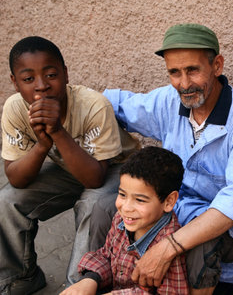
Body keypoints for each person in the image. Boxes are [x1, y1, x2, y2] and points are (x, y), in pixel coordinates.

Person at [93, 23, 233, 294]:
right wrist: (70, 104)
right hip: (173, 211)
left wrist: (168, 247)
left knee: (198, 239)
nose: (184, 83)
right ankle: (90, 280)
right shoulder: (169, 99)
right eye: (174, 72)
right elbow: (115, 104)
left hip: (225, 232)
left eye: (193, 70)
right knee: (101, 205)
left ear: (217, 65)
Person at [0, 36, 139, 294]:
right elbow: (16, 178)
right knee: (7, 200)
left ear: (65, 74)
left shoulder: (93, 105)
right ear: (15, 83)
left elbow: (95, 179)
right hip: (69, 168)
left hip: (115, 169)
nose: (41, 86)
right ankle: (20, 278)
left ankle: (77, 287)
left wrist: (57, 132)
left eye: (51, 75)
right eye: (28, 79)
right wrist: (42, 146)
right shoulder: (15, 109)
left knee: (92, 203)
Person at [60, 146, 188, 295]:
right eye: (122, 194)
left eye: (140, 200)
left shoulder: (169, 249)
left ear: (169, 201)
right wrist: (90, 280)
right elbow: (106, 256)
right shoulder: (121, 220)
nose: (126, 207)